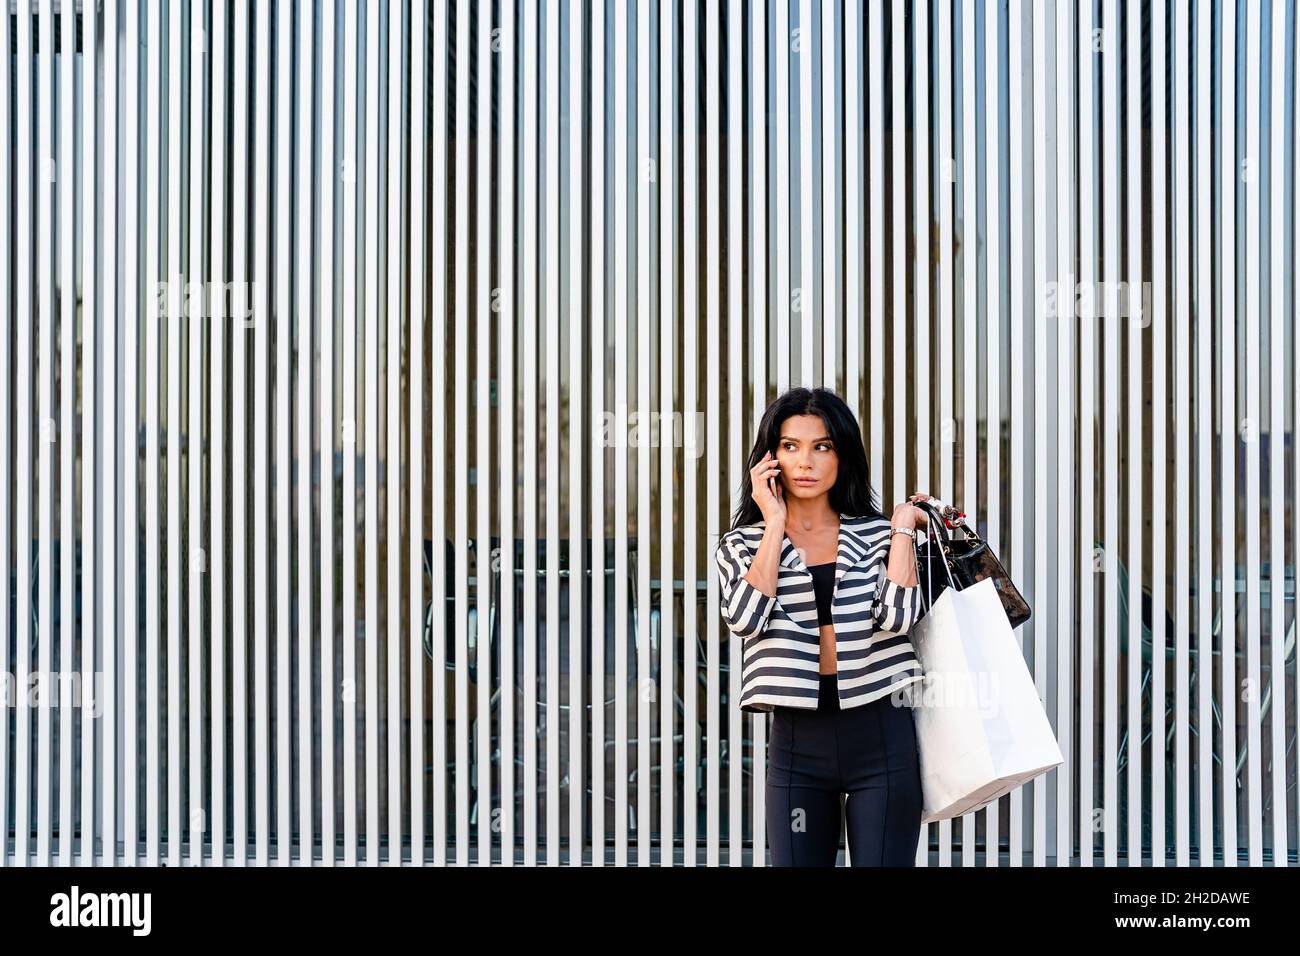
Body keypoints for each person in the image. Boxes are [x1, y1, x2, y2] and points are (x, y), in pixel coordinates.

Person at [714, 385, 942, 866]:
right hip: (798, 745)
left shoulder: (878, 534)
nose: (806, 462)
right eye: (791, 447)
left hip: (882, 735)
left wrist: (902, 526)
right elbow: (744, 617)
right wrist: (774, 524)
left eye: (822, 447)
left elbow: (898, 616)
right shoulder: (741, 545)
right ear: (770, 458)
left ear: (843, 456)